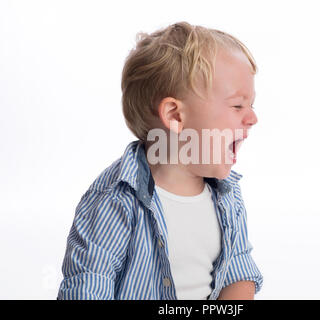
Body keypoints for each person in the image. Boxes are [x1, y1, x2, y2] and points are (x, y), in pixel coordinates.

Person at [57, 21, 263, 300]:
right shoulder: (115, 200)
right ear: (176, 116)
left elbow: (239, 273)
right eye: (237, 105)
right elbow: (89, 285)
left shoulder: (227, 194)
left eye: (251, 105)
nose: (252, 118)